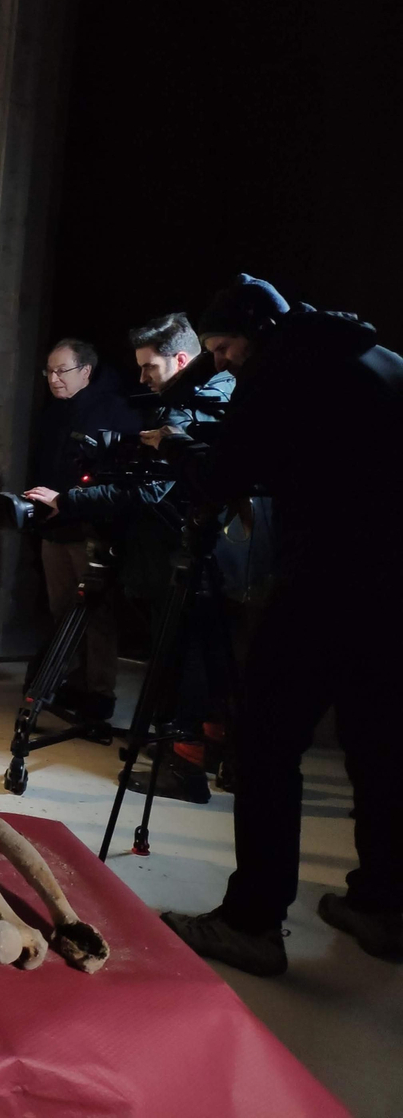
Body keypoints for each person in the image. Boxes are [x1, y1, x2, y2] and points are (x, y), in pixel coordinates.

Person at [161, 274, 403, 974]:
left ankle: (251, 922)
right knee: (379, 744)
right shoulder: (377, 358)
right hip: (392, 588)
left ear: (257, 331)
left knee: (265, 743)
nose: (223, 362)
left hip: (330, 579)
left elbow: (224, 474)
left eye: (225, 347)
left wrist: (179, 449)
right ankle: (384, 905)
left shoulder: (283, 371)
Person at [23, 314, 236, 803]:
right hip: (207, 555)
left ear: (182, 361)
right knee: (208, 660)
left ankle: (184, 765)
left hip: (192, 553)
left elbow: (154, 487)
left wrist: (69, 500)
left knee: (183, 661)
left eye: (151, 368)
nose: (142, 379)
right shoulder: (220, 396)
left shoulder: (190, 409)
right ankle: (217, 757)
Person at [19, 338, 140, 724]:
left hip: (90, 529)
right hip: (53, 527)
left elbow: (116, 477)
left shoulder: (115, 412)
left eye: (61, 371)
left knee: (96, 615)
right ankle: (72, 678)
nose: (53, 379)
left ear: (86, 371)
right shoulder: (55, 412)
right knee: (61, 609)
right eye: (48, 371)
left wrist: (72, 499)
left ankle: (100, 692)